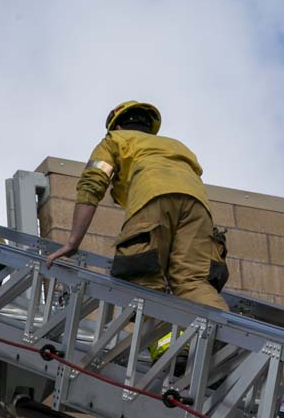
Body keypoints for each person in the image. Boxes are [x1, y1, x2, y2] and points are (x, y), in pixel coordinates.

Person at [46, 101, 229, 337]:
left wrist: (73, 242)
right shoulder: (176, 146)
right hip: (198, 207)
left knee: (142, 279)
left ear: (117, 126)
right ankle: (223, 338)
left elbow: (92, 186)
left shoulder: (115, 140)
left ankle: (164, 347)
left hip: (150, 197)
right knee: (193, 281)